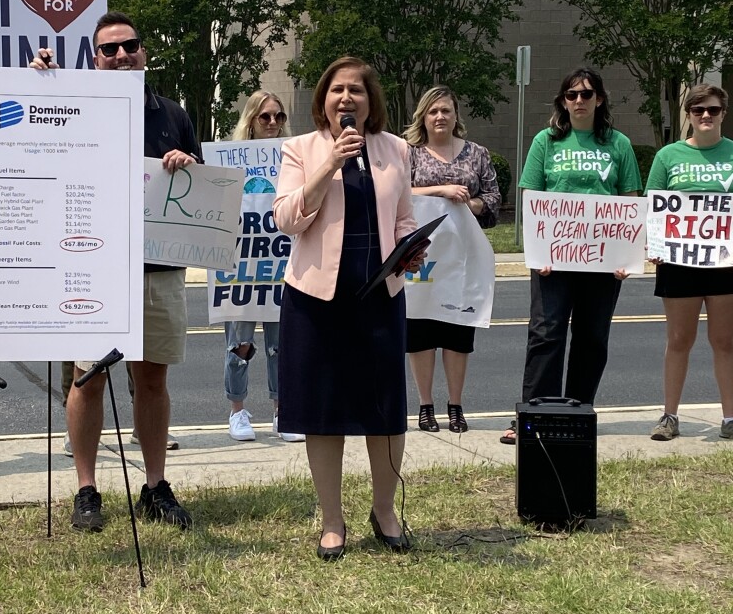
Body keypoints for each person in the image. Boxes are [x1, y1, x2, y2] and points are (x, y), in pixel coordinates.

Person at [31, 12, 200, 531]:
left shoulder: (172, 112)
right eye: (110, 50)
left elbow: (201, 181)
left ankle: (154, 486)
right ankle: (87, 490)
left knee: (152, 380)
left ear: (143, 53)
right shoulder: (72, 102)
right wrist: (35, 79)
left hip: (158, 268)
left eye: (130, 46)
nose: (122, 55)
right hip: (92, 267)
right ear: (94, 59)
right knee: (88, 379)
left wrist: (186, 162)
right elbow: (30, 133)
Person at [273, 56, 423, 561]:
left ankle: (384, 510)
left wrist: (411, 247)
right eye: (337, 90)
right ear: (323, 99)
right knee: (323, 410)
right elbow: (286, 219)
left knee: (385, 410)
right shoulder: (300, 149)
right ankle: (332, 520)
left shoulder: (396, 150)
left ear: (369, 100)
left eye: (356, 91)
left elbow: (403, 218)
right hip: (316, 300)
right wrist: (331, 163)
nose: (346, 99)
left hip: (380, 296)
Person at [500, 67, 641, 444]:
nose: (579, 101)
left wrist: (626, 255)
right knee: (546, 335)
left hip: (602, 260)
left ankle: (578, 413)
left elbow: (629, 201)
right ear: (563, 101)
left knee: (592, 337)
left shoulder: (619, 144)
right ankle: (531, 415)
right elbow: (531, 196)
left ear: (599, 99)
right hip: (554, 260)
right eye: (572, 95)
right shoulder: (547, 141)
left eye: (587, 94)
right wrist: (538, 249)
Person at [403, 86, 500, 434]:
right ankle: (425, 406)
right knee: (421, 331)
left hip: (463, 257)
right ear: (423, 118)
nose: (440, 117)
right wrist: (440, 191)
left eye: (445, 110)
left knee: (458, 332)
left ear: (456, 115)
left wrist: (470, 204)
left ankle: (456, 406)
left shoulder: (477, 154)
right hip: (423, 256)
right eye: (433, 111)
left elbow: (493, 199)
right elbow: (397, 193)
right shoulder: (411, 154)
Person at [645, 83, 733, 441]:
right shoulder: (669, 157)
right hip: (679, 261)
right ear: (689, 116)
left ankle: (729, 418)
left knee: (725, 341)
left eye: (712, 109)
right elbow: (652, 206)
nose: (706, 116)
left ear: (723, 113)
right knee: (679, 339)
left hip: (725, 262)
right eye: (698, 111)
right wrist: (652, 243)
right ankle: (669, 416)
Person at [224, 91, 304, 443]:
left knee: (281, 344)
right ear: (251, 120)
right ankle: (237, 412)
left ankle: (281, 411)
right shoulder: (229, 160)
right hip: (241, 262)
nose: (273, 123)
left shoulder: (294, 158)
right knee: (239, 344)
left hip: (280, 262)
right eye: (265, 117)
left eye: (279, 117)